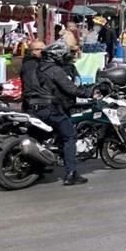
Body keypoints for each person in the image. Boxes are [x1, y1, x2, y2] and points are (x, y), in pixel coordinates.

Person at [22, 40, 97, 185]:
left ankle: (39, 167)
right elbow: (71, 89)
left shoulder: (37, 67)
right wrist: (90, 93)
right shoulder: (55, 70)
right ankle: (71, 174)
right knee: (69, 136)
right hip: (48, 108)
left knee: (41, 137)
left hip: (32, 107)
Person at [19, 40, 46, 113]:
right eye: (32, 50)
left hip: (31, 100)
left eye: (37, 49)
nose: (34, 52)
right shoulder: (30, 64)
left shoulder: (42, 63)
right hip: (36, 101)